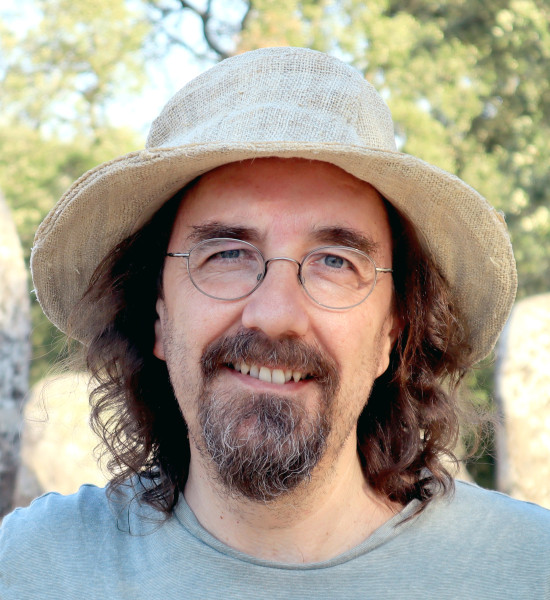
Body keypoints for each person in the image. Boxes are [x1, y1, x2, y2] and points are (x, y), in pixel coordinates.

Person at [1, 46, 548, 599]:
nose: (275, 314)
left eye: (335, 261)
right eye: (227, 254)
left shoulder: (529, 570)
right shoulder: (31, 569)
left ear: (391, 329)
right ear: (157, 313)